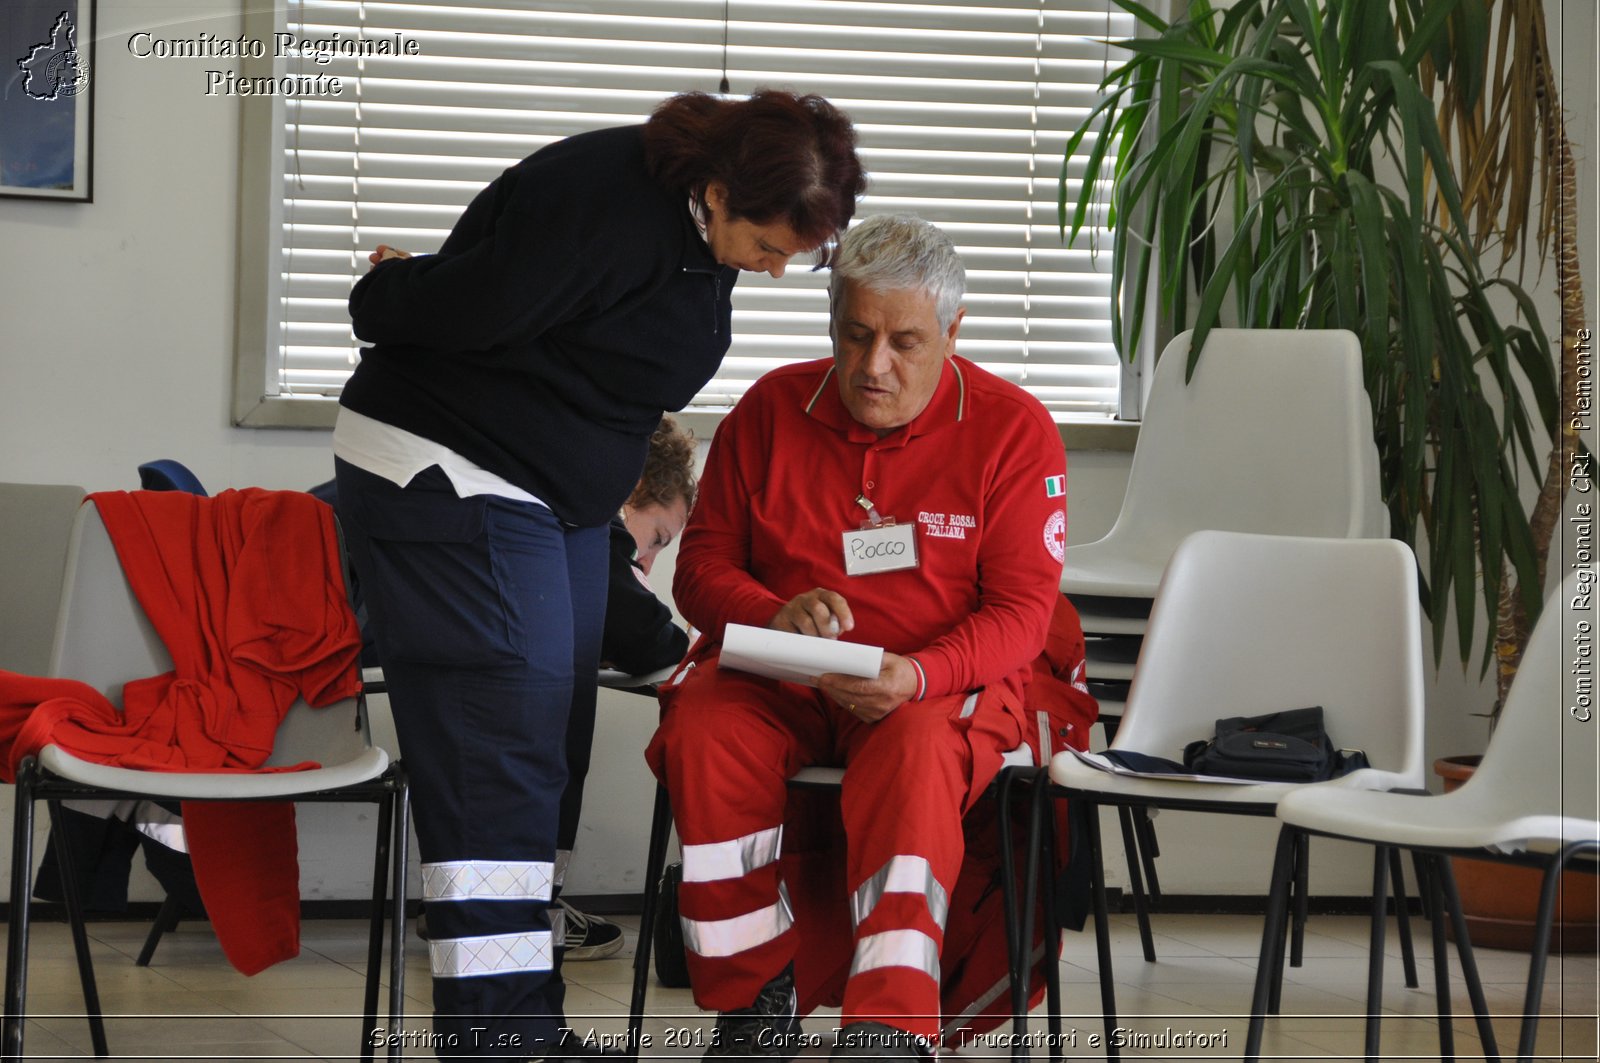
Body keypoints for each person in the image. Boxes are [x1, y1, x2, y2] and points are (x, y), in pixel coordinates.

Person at [332, 91, 864, 1058]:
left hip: (551, 497)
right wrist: (385, 289)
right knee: (501, 745)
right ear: (715, 191)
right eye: (771, 244)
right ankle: (495, 1035)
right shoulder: (605, 209)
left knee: (555, 738)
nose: (779, 269)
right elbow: (454, 302)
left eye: (799, 252)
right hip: (452, 470)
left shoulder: (701, 233)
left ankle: (525, 1013)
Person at [646, 214, 1069, 1060]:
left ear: (952, 330)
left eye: (905, 342)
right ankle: (754, 1001)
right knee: (702, 730)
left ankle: (889, 1026)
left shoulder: (1014, 429)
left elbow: (1023, 614)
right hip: (780, 678)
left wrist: (919, 674)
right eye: (856, 335)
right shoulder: (770, 409)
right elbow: (699, 570)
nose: (874, 366)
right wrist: (771, 612)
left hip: (933, 684)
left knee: (914, 753)